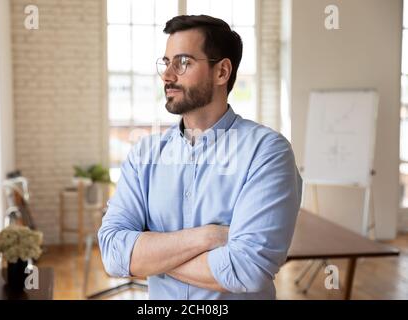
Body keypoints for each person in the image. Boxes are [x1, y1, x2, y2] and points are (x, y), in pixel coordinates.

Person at [98, 14, 303, 300]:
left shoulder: (266, 152)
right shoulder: (144, 155)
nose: (168, 75)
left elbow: (246, 269)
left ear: (222, 72)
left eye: (183, 62)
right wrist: (209, 237)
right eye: (166, 62)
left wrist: (150, 254)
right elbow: (113, 253)